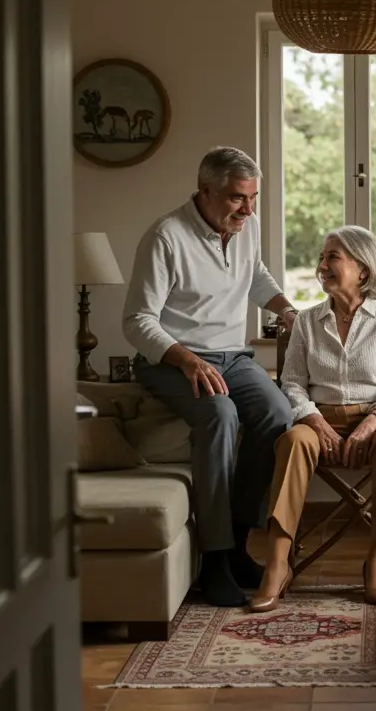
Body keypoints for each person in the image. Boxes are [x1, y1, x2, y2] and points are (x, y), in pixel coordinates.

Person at [122, 146, 298, 607]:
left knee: (278, 413)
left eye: (253, 198)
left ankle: (239, 541)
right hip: (171, 360)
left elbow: (255, 276)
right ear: (205, 190)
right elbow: (138, 321)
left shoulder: (247, 227)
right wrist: (186, 359)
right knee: (220, 415)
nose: (249, 209)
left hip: (233, 357)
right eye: (239, 198)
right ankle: (215, 558)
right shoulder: (165, 237)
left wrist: (287, 309)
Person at [249, 226, 376, 612]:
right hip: (317, 419)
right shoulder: (306, 321)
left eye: (332, 257)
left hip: (375, 420)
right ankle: (276, 564)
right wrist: (315, 422)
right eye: (322, 258)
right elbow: (291, 384)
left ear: (362, 268)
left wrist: (370, 424)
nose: (322, 266)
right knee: (291, 443)